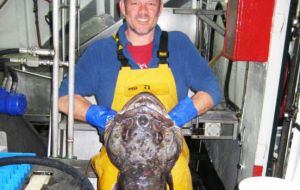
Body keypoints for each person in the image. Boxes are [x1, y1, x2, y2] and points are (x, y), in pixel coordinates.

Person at [58, 0, 221, 189]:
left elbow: (212, 90)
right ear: (123, 7)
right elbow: (64, 99)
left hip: (168, 155)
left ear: (160, 8)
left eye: (150, 3)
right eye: (135, 3)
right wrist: (104, 119)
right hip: (117, 158)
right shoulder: (101, 52)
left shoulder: (179, 45)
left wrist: (178, 116)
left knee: (179, 176)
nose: (143, 11)